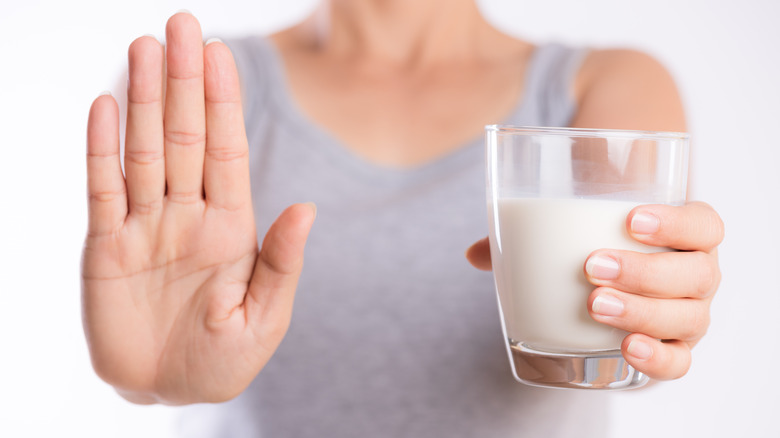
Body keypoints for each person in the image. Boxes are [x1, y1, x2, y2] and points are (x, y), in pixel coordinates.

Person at [83, 1, 724, 436]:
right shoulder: (205, 89)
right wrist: (152, 382)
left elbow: (614, 343)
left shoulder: (599, 85)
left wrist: (650, 324)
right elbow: (156, 354)